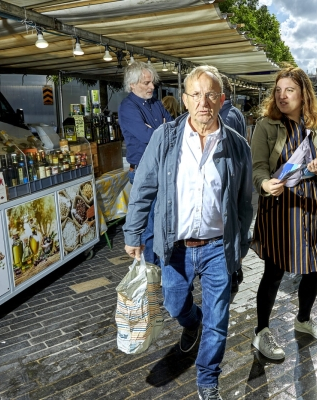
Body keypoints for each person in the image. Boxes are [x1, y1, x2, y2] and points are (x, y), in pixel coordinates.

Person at [123, 65, 253, 400]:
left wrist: (238, 246)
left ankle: (208, 382)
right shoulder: (165, 138)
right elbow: (144, 187)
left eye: (210, 94)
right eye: (195, 94)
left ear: (222, 99)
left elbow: (243, 202)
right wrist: (133, 232)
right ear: (184, 100)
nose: (203, 102)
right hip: (175, 246)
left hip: (216, 247)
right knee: (174, 304)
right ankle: (189, 321)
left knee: (218, 319)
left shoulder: (237, 145)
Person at [250, 66, 317, 360]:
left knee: (314, 268)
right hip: (278, 208)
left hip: (312, 206)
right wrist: (264, 183)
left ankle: (303, 320)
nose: (282, 96)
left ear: (303, 95)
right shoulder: (266, 126)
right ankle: (261, 331)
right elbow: (258, 166)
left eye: (289, 90)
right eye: (278, 90)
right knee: (274, 273)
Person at [118, 61, 173, 265]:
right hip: (143, 171)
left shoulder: (155, 103)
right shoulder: (127, 107)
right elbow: (147, 135)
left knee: (162, 220)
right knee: (149, 225)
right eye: (146, 83)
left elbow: (172, 130)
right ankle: (152, 272)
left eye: (152, 83)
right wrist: (161, 131)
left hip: (162, 169)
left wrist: (158, 131)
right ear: (132, 85)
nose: (152, 87)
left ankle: (160, 265)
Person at [218, 73, 247, 293]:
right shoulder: (236, 112)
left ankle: (233, 268)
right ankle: (235, 267)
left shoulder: (224, 116)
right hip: (238, 174)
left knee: (231, 222)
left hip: (229, 176)